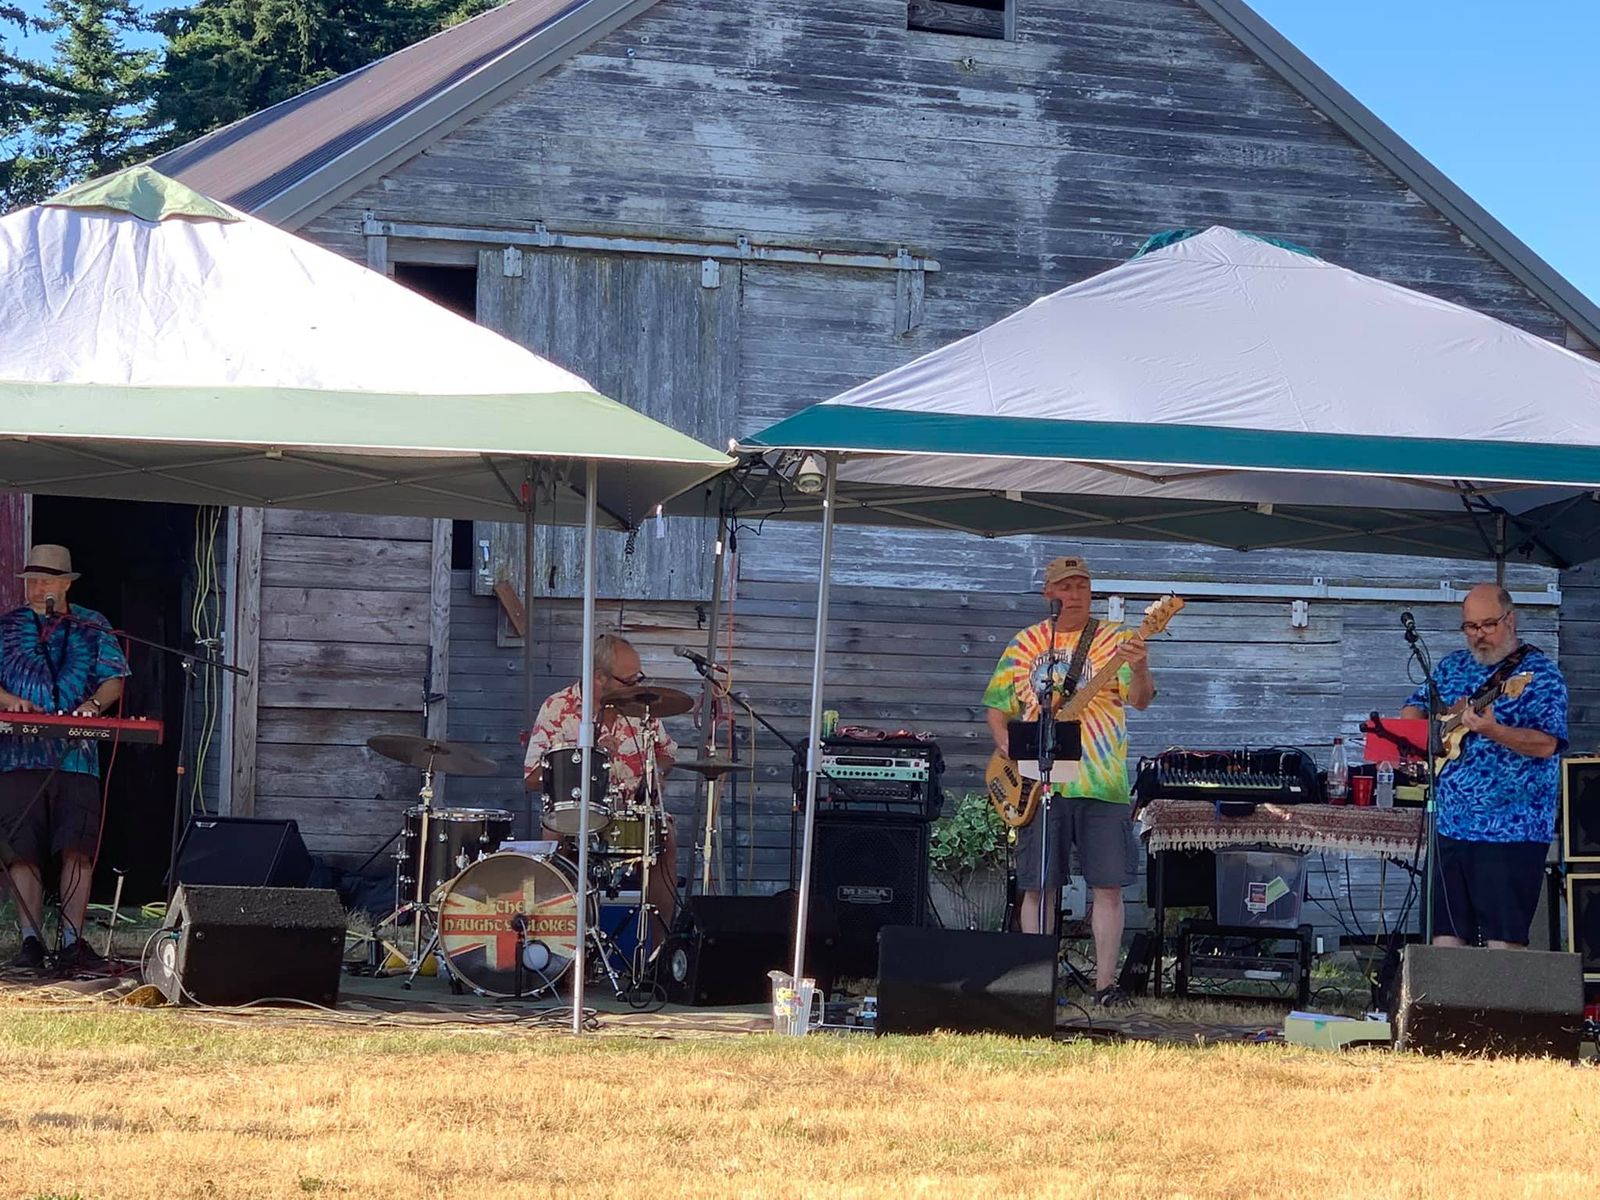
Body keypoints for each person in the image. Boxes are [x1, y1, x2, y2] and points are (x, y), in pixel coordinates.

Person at [982, 555, 1155, 1008]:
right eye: (1066, 586)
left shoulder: (1117, 639)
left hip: (1102, 782)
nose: (1075, 594)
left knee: (1108, 885)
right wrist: (1004, 742)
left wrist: (1140, 669)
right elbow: (997, 705)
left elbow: (1140, 701)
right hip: (1037, 785)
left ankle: (1105, 985)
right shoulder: (1025, 643)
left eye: (1082, 586)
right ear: (1049, 594)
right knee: (1038, 885)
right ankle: (1036, 982)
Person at [1399, 583, 1566, 948]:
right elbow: (1413, 709)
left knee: (1502, 946)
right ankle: (1446, 991)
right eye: (1471, 626)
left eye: (1488, 624)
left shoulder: (1540, 676)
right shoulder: (1452, 667)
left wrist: (1494, 730)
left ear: (1510, 620)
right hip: (1450, 825)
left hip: (1511, 829)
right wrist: (1429, 739)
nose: (1479, 635)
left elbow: (1547, 744)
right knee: (1444, 940)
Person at [0, 545, 130, 971]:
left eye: (45, 581)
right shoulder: (7, 627)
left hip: (77, 757)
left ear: (65, 585)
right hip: (19, 756)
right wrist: (11, 701)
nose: (37, 588)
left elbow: (113, 680)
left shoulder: (92, 625)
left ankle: (73, 941)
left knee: (77, 847)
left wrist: (92, 705)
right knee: (22, 850)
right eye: (32, 582)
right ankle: (31, 941)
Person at [524, 634, 679, 932]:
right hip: (577, 814)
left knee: (666, 836)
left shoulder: (641, 707)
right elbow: (531, 778)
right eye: (629, 681)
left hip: (630, 813)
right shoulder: (558, 708)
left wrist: (657, 772)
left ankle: (660, 950)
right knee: (553, 834)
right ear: (599, 677)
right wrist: (586, 758)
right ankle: (556, 940)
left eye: (638, 678)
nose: (635, 686)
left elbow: (667, 752)